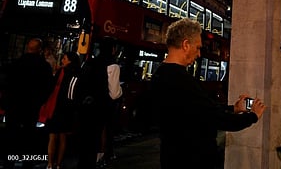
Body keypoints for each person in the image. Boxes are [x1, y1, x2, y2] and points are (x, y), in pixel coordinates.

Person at [150, 18, 266, 169]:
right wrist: (253, 116)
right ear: (185, 45)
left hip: (171, 157)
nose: (199, 54)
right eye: (197, 48)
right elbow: (217, 119)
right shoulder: (182, 80)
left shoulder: (159, 74)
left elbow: (198, 109)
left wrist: (233, 109)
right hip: (192, 160)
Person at [3, 38, 54, 168]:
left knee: (11, 134)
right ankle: (27, 162)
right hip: (32, 106)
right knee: (29, 135)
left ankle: (9, 161)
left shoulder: (16, 63)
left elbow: (6, 83)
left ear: (27, 48)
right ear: (39, 49)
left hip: (14, 105)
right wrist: (39, 101)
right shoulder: (44, 66)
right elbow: (48, 87)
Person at [75, 38, 111, 169]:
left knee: (84, 138)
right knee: (94, 139)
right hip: (99, 108)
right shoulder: (111, 65)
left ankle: (81, 163)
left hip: (85, 107)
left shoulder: (88, 63)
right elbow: (114, 93)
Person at [45, 51, 81, 169]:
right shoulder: (77, 73)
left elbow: (51, 86)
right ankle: (58, 164)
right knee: (63, 137)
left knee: (52, 136)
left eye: (65, 58)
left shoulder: (62, 71)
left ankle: (50, 163)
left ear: (70, 60)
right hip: (68, 110)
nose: (62, 60)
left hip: (57, 107)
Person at [97, 43, 123, 168]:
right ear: (113, 50)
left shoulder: (91, 63)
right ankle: (102, 156)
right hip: (105, 105)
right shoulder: (113, 66)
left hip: (90, 105)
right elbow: (114, 93)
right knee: (105, 129)